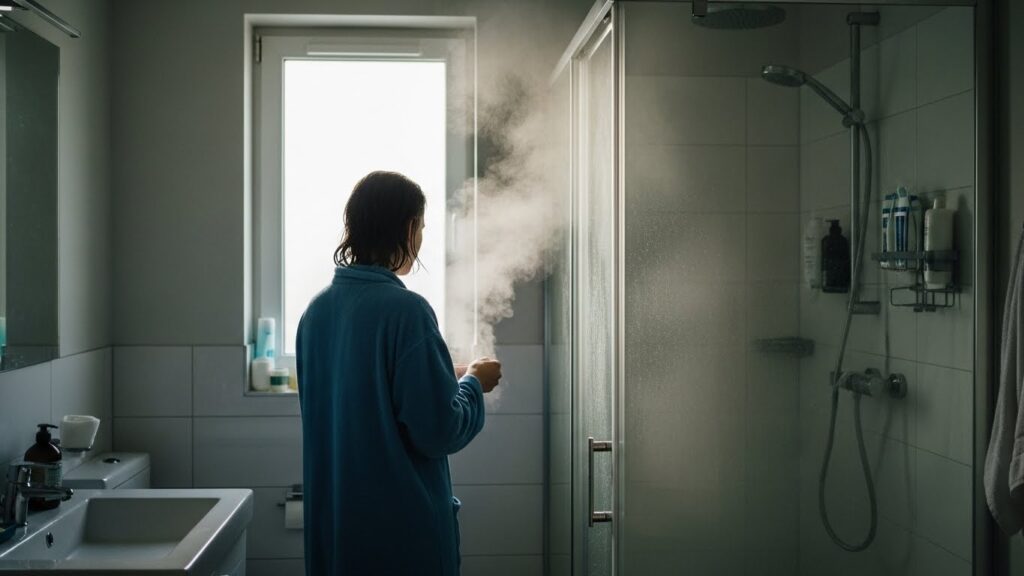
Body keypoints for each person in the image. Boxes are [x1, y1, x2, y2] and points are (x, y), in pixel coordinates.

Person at [296, 170, 501, 575]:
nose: (421, 238)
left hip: (337, 537)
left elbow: (367, 397)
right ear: (409, 227)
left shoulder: (316, 313)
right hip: (399, 538)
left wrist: (442, 376)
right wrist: (475, 384)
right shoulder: (407, 311)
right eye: (422, 227)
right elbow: (438, 430)